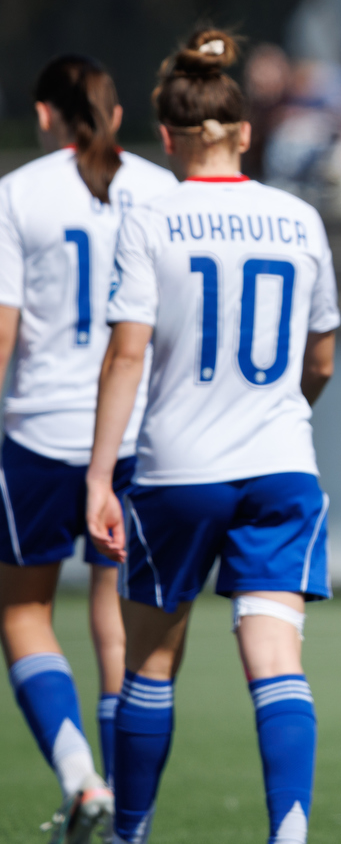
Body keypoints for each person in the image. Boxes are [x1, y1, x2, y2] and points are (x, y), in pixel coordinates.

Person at [83, 29, 341, 844]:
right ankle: (289, 835)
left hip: (177, 472)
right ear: (246, 131)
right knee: (277, 661)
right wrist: (281, 414)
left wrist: (98, 477)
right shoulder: (299, 218)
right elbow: (321, 361)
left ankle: (129, 835)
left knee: (150, 667)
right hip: (281, 468)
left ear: (166, 137)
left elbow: (127, 355)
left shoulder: (150, 217)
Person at [0, 55, 178, 843]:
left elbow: (3, 333)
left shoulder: (17, 193)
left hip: (40, 432)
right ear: (117, 114)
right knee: (118, 628)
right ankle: (125, 822)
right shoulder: (161, 189)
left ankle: (81, 778)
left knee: (23, 611)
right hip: (135, 435)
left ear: (45, 115)